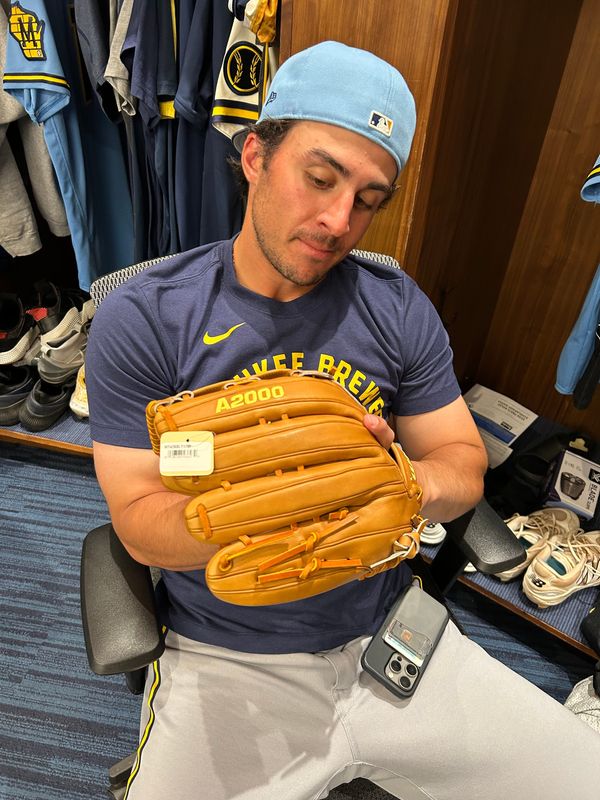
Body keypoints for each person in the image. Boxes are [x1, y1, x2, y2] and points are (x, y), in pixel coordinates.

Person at [86, 40, 599, 800]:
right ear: (256, 155)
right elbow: (136, 519)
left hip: (388, 634)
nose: (337, 220)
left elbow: (462, 458)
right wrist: (270, 507)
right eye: (319, 178)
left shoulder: (394, 305)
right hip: (229, 656)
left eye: (367, 199)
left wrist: (396, 483)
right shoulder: (145, 316)